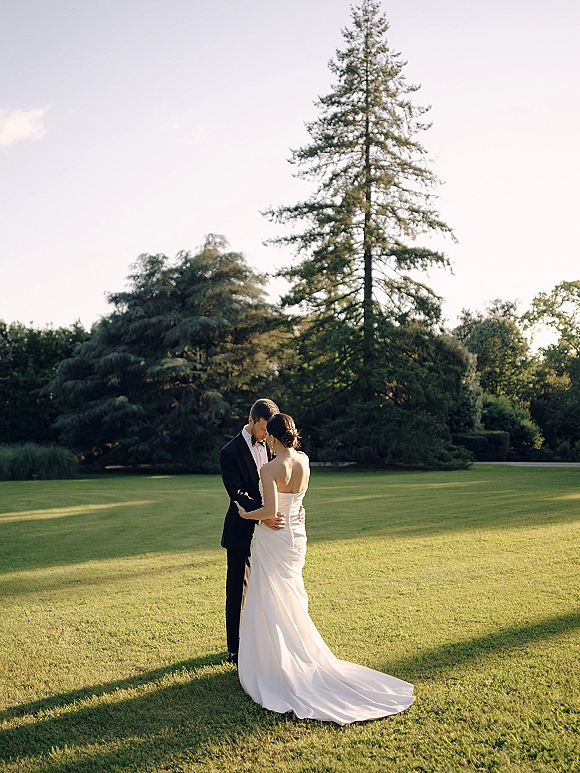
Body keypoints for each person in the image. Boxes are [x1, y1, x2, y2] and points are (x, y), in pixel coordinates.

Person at [235, 413, 415, 725]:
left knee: (270, 599)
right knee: (288, 599)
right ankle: (286, 656)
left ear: (274, 438)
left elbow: (269, 511)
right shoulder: (303, 460)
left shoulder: (269, 468)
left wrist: (244, 512)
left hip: (274, 538)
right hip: (296, 537)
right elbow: (296, 501)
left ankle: (274, 664)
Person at [219, 398, 283, 665]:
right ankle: (235, 648)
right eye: (263, 429)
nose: (266, 435)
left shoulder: (274, 445)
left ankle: (264, 642)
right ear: (251, 420)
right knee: (237, 590)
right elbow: (238, 493)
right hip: (241, 527)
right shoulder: (229, 452)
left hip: (271, 534)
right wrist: (264, 514)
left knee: (269, 586)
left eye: (269, 430)